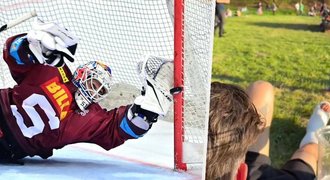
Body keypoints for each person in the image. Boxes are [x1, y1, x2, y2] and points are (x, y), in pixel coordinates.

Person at [0, 20, 173, 163]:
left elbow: (118, 130)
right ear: (82, 73)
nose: (95, 90)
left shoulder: (91, 117)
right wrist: (27, 45)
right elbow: (11, 53)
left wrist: (146, 113)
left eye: (101, 89)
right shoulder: (54, 69)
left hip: (8, 147)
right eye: (94, 82)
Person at [206, 80, 328, 180]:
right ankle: (314, 132)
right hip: (245, 169)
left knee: (262, 87)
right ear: (240, 174)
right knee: (309, 151)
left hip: (226, 164)